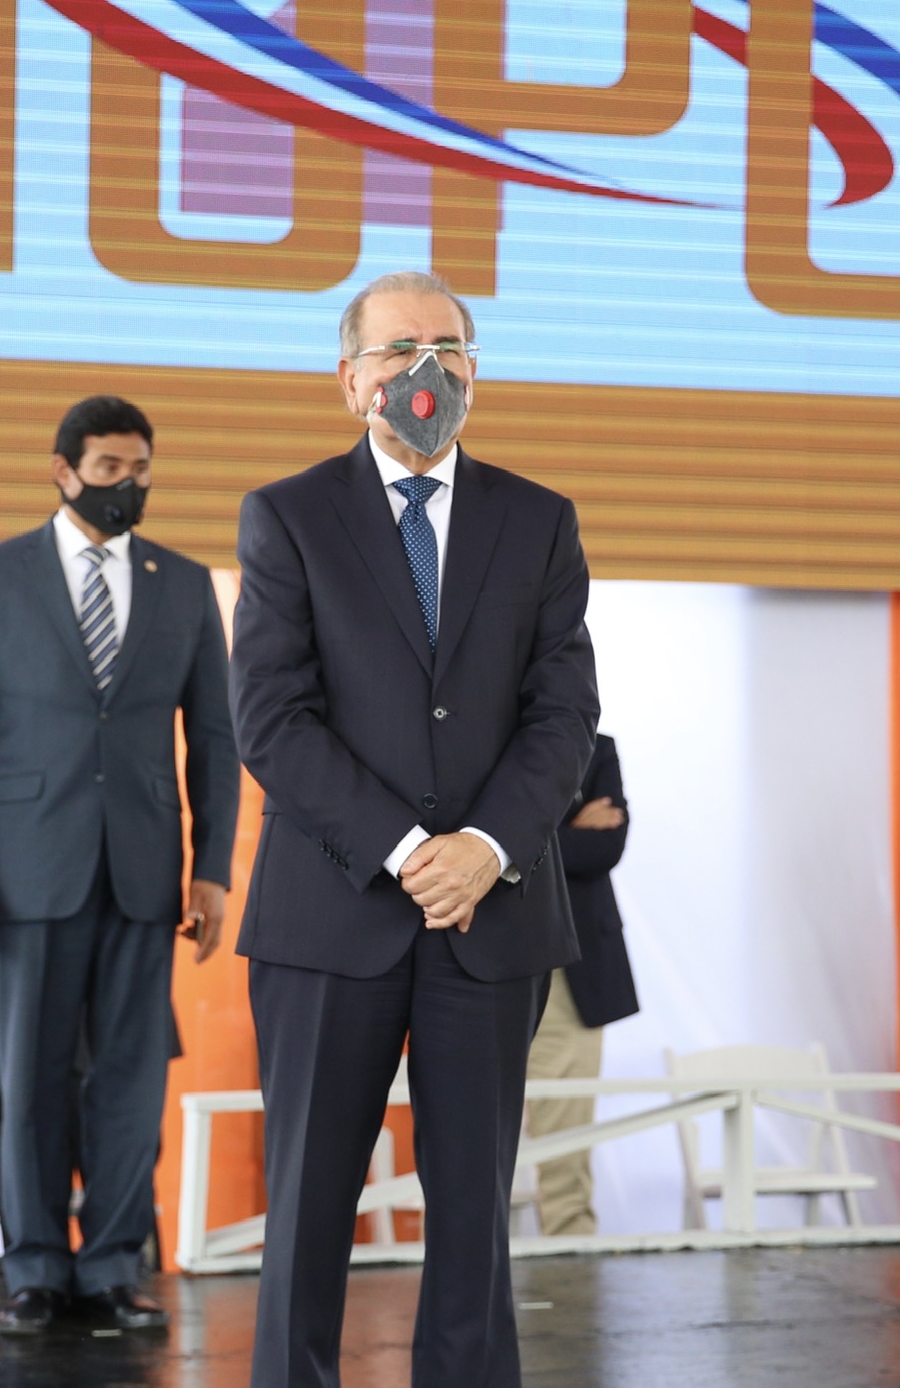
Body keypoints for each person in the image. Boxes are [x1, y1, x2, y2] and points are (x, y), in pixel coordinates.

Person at [231, 271, 599, 1388]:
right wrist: (407, 853)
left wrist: (482, 850)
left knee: (477, 1215)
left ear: (475, 371)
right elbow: (272, 719)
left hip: (489, 919)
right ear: (351, 381)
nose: (423, 370)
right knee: (307, 1205)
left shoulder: (539, 520)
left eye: (447, 346)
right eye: (398, 350)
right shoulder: (288, 515)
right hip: (330, 915)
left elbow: (564, 715)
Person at [0, 395, 239, 1335]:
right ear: (63, 471)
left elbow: (214, 740)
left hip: (144, 871)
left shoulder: (184, 584)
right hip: (24, 871)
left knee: (132, 1081)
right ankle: (34, 1267)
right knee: (29, 1078)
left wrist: (212, 868)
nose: (127, 485)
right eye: (109, 469)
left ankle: (111, 1266)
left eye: (140, 470)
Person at [524, 732, 636, 1237]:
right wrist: (566, 831)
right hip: (483, 954)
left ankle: (570, 1252)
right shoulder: (476, 737)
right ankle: (472, 1260)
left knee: (567, 1125)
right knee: (468, 1124)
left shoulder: (597, 747)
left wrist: (525, 841)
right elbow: (463, 843)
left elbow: (606, 845)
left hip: (574, 967)